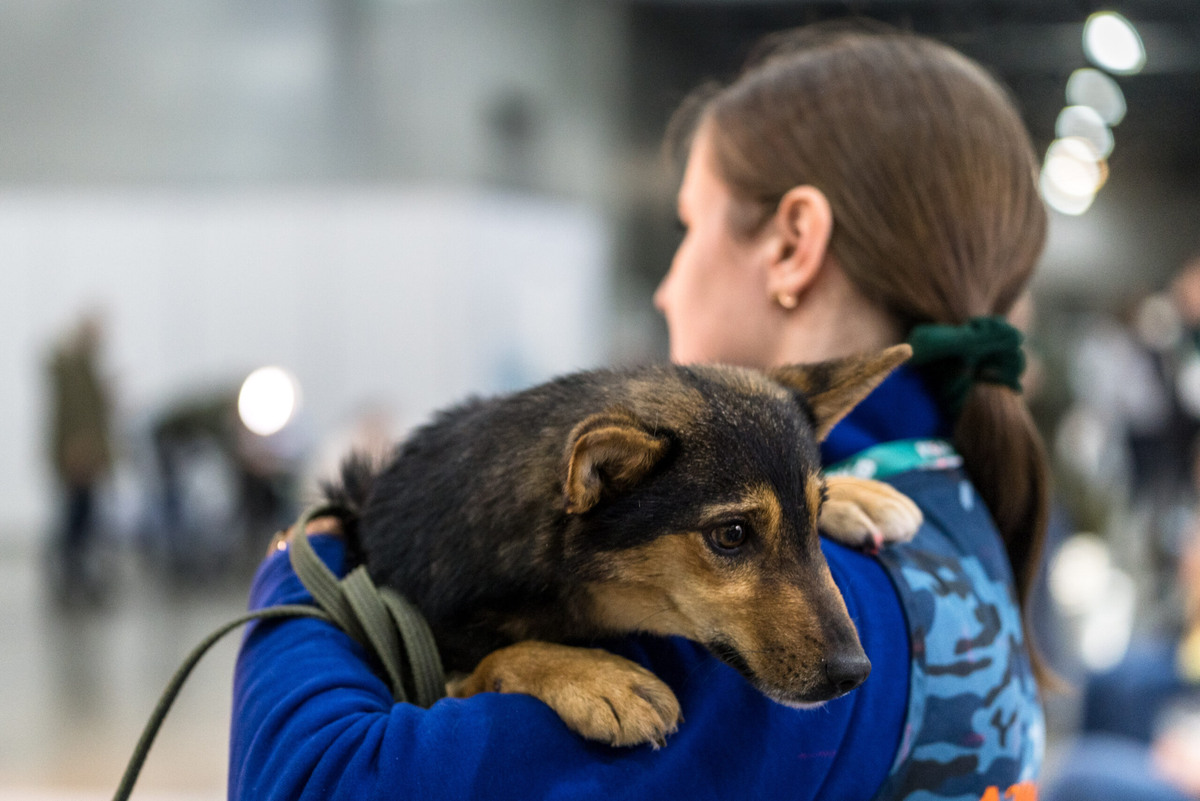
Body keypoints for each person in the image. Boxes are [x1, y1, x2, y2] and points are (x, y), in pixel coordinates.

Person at [230, 22, 1048, 800]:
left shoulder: (777, 644)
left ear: (793, 245)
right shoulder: (945, 520)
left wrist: (300, 565)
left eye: (688, 225)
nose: (665, 285)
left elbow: (316, 780)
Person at [46, 311, 115, 606]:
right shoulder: (73, 368)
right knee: (75, 523)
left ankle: (77, 580)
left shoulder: (83, 367)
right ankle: (70, 581)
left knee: (83, 522)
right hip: (78, 458)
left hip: (85, 456)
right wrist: (77, 453)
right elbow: (74, 417)